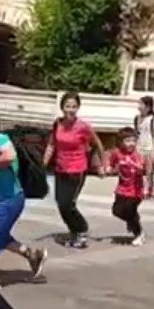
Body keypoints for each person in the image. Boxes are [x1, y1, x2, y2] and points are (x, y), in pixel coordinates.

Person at [0, 108, 47, 288]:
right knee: (2, 238)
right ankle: (33, 256)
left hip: (9, 199)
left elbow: (9, 156)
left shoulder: (0, 139)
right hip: (0, 199)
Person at [44, 92, 106, 249]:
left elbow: (98, 145)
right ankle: (75, 232)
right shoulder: (57, 124)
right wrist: (43, 164)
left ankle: (81, 229)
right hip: (60, 168)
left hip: (77, 170)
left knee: (68, 204)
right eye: (67, 106)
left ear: (78, 108)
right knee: (60, 203)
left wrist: (103, 165)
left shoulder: (83, 127)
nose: (70, 110)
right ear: (62, 108)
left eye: (73, 106)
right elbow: (52, 144)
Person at [109, 127, 146, 246]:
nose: (131, 144)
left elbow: (142, 168)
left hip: (135, 190)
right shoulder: (117, 153)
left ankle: (139, 233)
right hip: (122, 188)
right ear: (121, 142)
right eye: (128, 141)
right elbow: (111, 164)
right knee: (117, 211)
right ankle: (132, 220)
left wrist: (136, 166)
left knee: (130, 210)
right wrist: (107, 169)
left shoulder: (137, 155)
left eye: (133, 140)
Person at [135, 95, 154, 198]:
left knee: (149, 171)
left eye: (141, 104)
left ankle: (149, 189)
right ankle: (139, 188)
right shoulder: (137, 118)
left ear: (148, 107)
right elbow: (136, 133)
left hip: (149, 147)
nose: (139, 106)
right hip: (139, 147)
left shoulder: (152, 119)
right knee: (139, 170)